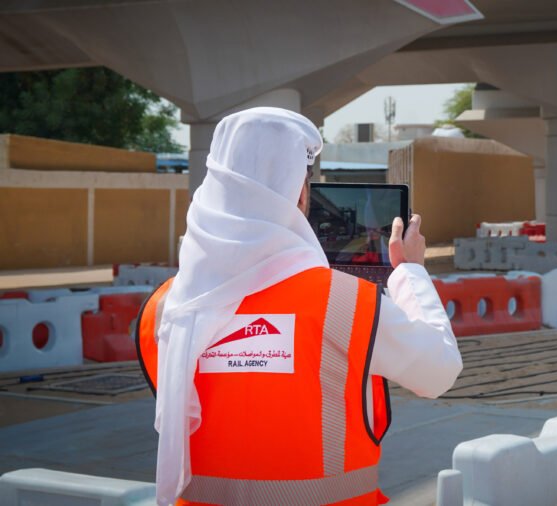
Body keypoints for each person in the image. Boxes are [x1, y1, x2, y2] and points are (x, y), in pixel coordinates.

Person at [135, 107, 462, 506]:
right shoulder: (347, 303)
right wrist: (410, 272)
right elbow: (439, 371)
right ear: (301, 194)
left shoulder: (163, 309)